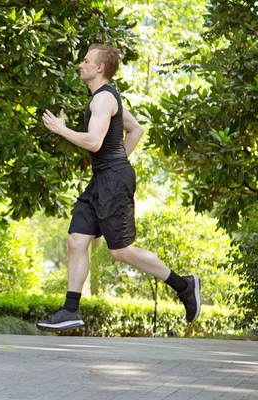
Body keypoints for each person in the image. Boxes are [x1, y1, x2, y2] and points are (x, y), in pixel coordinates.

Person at [37, 44, 200, 331]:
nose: (80, 65)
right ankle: (70, 310)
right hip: (103, 178)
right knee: (76, 240)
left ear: (100, 68)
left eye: (86, 61)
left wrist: (62, 130)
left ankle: (183, 285)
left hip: (112, 180)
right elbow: (136, 130)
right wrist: (117, 161)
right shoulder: (108, 98)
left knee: (120, 250)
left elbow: (94, 142)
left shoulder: (102, 100)